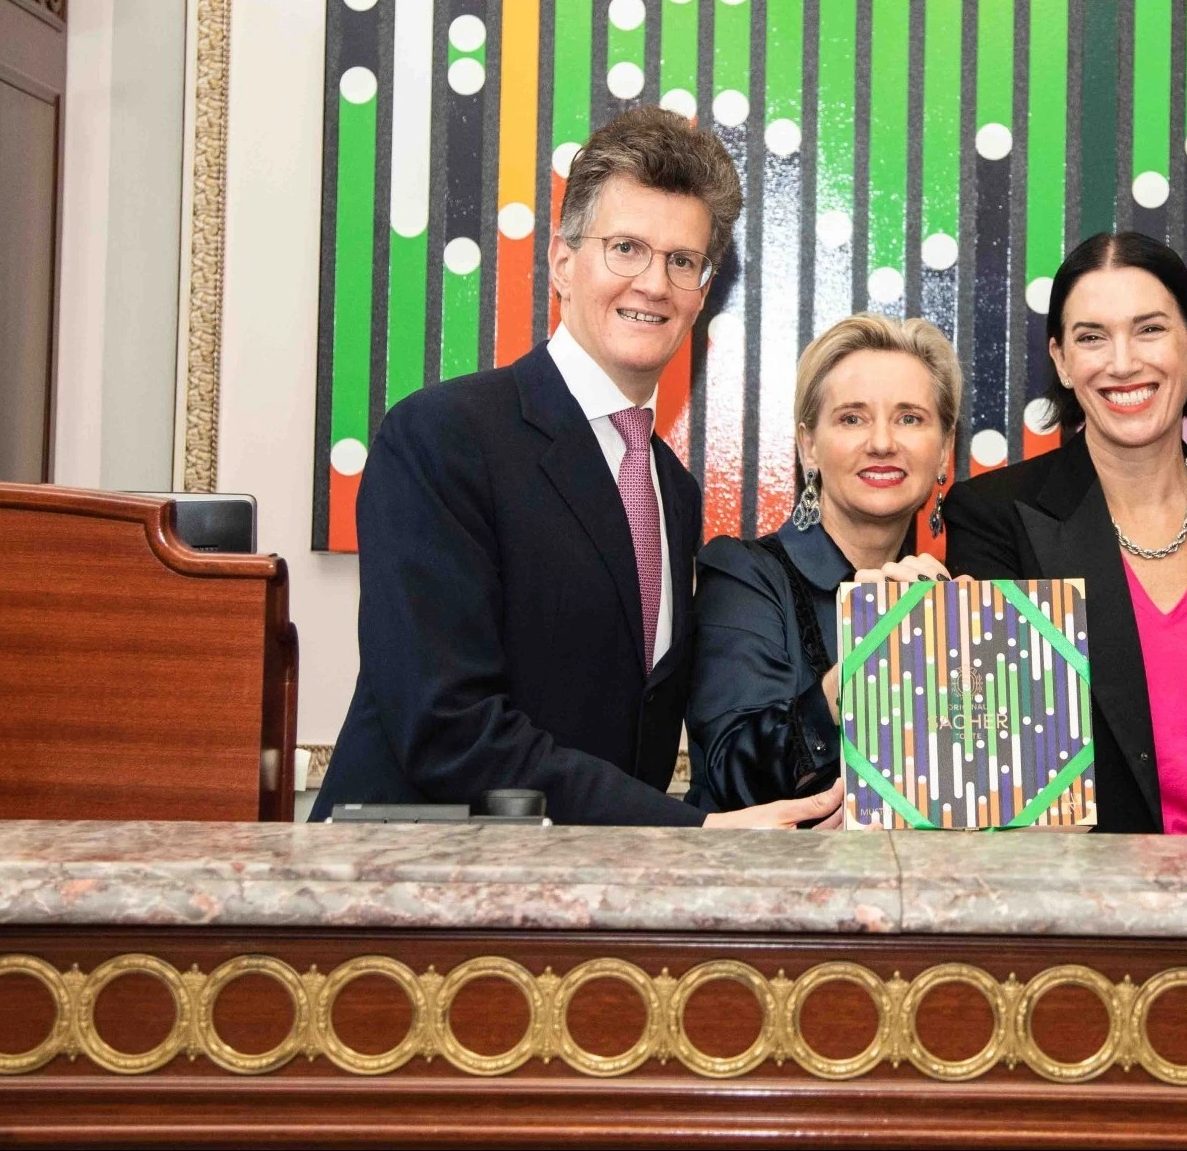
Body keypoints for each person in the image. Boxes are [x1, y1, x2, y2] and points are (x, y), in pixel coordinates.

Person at [315, 108, 840, 828]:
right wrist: (690, 834)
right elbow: (448, 728)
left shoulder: (674, 493)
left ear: (703, 293)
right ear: (563, 262)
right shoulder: (443, 436)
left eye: (682, 261)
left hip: (587, 913)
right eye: (626, 248)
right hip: (410, 905)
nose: (653, 283)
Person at [942, 232, 1187, 835]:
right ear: (1063, 362)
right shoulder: (995, 517)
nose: (1122, 362)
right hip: (1078, 909)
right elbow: (986, 754)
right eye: (1092, 337)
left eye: (1149, 329)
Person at [688, 315, 962, 810]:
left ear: (944, 450)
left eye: (909, 418)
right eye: (852, 418)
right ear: (809, 445)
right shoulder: (744, 576)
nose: (882, 443)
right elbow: (730, 772)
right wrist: (864, 665)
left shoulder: (962, 603)